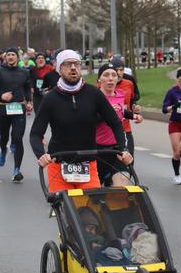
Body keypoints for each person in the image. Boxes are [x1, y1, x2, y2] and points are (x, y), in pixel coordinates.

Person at [30, 49, 133, 193]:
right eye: (67, 64)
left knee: (91, 211)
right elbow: (35, 133)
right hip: (59, 163)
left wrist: (123, 149)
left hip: (88, 163)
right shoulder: (50, 99)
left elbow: (115, 122)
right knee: (65, 209)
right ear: (59, 69)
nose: (73, 68)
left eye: (76, 64)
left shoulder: (93, 93)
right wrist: (41, 155)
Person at [0, 47, 33, 182]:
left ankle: (17, 169)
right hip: (3, 109)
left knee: (18, 138)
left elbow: (27, 88)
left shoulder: (24, 72)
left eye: (13, 55)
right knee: (4, 137)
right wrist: (0, 96)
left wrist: (29, 101)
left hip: (19, 109)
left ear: (18, 57)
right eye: (9, 55)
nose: (11, 57)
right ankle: (3, 150)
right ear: (5, 57)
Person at [96, 63, 143, 186]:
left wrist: (133, 115)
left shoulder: (120, 94)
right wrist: (106, 112)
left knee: (123, 185)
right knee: (95, 193)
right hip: (96, 150)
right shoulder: (93, 97)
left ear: (118, 79)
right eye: (106, 75)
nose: (110, 78)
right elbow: (87, 121)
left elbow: (120, 110)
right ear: (99, 79)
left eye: (114, 75)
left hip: (116, 148)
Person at [110, 55, 141, 157]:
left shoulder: (129, 84)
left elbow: (131, 101)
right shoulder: (103, 85)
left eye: (121, 70)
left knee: (129, 161)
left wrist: (135, 108)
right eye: (116, 70)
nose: (119, 73)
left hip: (126, 129)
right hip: (109, 131)